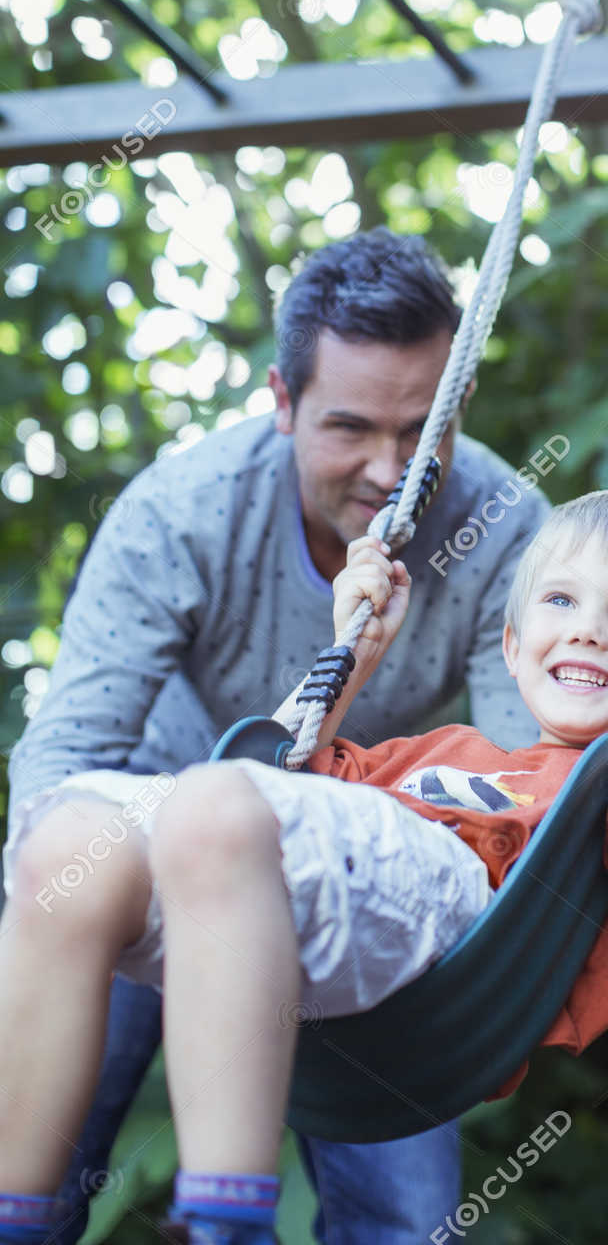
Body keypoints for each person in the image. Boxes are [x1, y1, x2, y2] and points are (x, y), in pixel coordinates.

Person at [0, 489, 608, 1244]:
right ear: (511, 648)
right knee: (65, 845)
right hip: (288, 920)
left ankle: (223, 1224)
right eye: (560, 601)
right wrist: (351, 658)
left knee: (214, 805)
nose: (587, 630)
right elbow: (278, 776)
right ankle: (15, 1215)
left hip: (456, 946)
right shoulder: (437, 754)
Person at [1, 228, 554, 1244]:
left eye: (420, 427)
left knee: (408, 1217)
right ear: (282, 401)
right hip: (158, 849)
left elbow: (529, 792)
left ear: (457, 404)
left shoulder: (512, 533)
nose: (391, 470)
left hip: (370, 868)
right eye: (349, 428)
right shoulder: (184, 512)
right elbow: (63, 760)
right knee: (49, 1144)